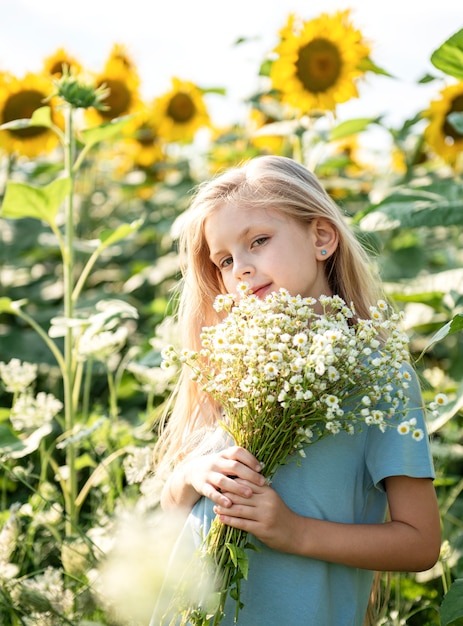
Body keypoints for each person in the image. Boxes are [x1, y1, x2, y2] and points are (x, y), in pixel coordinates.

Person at [151, 155, 441, 626]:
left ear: (321, 238)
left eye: (258, 242)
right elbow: (172, 511)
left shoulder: (377, 372)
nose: (240, 269)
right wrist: (190, 477)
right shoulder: (229, 360)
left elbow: (421, 543)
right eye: (224, 260)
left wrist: (294, 532)